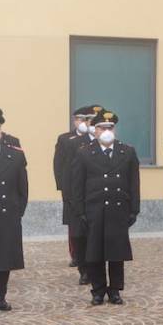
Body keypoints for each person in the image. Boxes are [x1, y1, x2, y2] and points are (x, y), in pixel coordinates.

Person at [71, 110, 141, 306]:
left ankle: (115, 290)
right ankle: (98, 290)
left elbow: (134, 183)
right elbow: (77, 185)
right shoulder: (84, 152)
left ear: (114, 129)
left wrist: (134, 209)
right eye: (102, 127)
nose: (106, 131)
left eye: (110, 127)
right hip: (94, 210)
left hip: (118, 210)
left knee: (116, 253)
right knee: (95, 253)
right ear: (96, 129)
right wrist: (80, 212)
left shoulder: (126, 151)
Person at [54, 106, 97, 267]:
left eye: (87, 119)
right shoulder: (66, 139)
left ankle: (88, 255)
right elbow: (59, 164)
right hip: (71, 189)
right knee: (74, 226)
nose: (84, 122)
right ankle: (76, 255)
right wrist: (62, 187)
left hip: (88, 190)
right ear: (75, 120)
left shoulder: (94, 139)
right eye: (80, 119)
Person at [0, 109, 28, 312]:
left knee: (4, 258)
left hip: (6, 213)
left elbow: (22, 188)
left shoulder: (14, 155)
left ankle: (0, 296)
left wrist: (17, 211)